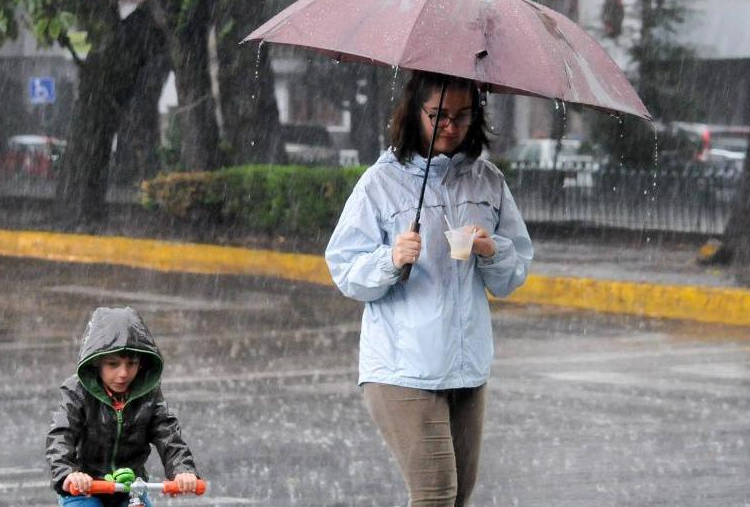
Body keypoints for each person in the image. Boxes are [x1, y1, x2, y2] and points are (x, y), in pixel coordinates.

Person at [325, 71, 533, 507]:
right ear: (414, 112)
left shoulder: (487, 181)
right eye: (438, 115)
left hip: (467, 366)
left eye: (462, 115)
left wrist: (492, 250)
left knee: (458, 497)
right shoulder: (381, 183)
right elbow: (345, 269)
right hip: (402, 368)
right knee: (435, 494)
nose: (450, 127)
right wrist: (391, 258)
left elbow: (511, 277)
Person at [46, 307, 199, 507]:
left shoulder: (148, 394)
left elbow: (168, 434)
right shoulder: (77, 392)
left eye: (132, 364)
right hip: (86, 487)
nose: (123, 373)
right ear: (96, 362)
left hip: (129, 487)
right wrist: (69, 474)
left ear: (141, 364)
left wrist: (183, 470)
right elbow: (60, 436)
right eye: (113, 364)